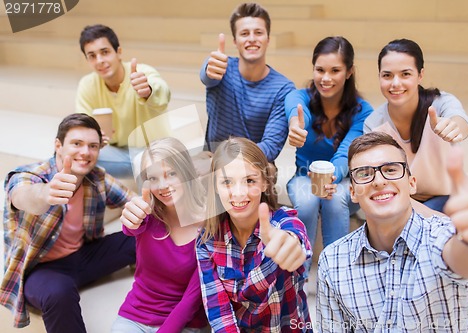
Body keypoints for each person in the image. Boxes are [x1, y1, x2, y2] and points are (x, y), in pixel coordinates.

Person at [316, 132, 468, 332]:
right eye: (364, 174)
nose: (378, 181)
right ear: (352, 192)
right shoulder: (333, 260)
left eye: (391, 169)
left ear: (412, 184)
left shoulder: (441, 235)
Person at [1, 113, 136, 332]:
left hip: (83, 256)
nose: (85, 152)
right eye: (77, 143)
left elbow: (133, 200)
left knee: (141, 236)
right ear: (58, 146)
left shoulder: (96, 177)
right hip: (41, 269)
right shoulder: (30, 176)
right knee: (59, 292)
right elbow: (23, 195)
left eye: (93, 146)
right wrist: (45, 193)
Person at [196, 137, 312, 332]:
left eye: (249, 180)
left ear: (265, 183)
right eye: (227, 182)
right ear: (215, 187)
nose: (239, 193)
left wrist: (291, 244)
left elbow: (295, 236)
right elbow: (219, 313)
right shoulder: (206, 240)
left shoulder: (284, 223)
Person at [285, 36, 373, 274]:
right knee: (307, 199)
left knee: (333, 200)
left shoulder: (363, 111)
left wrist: (330, 178)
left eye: (335, 70)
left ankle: (335, 276)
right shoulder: (302, 97)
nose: (326, 78)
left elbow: (346, 153)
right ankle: (298, 277)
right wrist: (295, 125)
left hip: (344, 183)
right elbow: (295, 109)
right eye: (320, 70)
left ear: (349, 71)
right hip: (304, 177)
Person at [111, 137, 209, 333]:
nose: (162, 185)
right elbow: (131, 226)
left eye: (171, 173)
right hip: (135, 315)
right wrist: (131, 217)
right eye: (153, 178)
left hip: (184, 323)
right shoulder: (146, 213)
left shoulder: (209, 225)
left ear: (187, 173)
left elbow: (191, 299)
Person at [364, 38, 468, 212]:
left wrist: (453, 127)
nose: (395, 83)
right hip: (403, 202)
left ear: (420, 75)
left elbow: (460, 120)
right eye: (387, 75)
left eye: (405, 74)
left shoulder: (440, 103)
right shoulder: (373, 124)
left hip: (449, 197)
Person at [199, 2, 295, 162]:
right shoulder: (221, 68)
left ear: (268, 39)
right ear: (235, 41)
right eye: (244, 33)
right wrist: (209, 68)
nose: (252, 39)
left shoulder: (283, 88)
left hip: (254, 165)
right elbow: (208, 74)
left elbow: (270, 147)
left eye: (258, 32)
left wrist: (227, 161)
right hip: (212, 160)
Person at [76, 24, 171, 178]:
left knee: (144, 162)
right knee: (73, 157)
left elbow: (163, 93)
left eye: (105, 52)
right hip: (117, 154)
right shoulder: (87, 85)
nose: (99, 60)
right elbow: (82, 125)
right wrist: (95, 137)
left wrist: (148, 91)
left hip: (155, 152)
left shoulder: (142, 73)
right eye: (92, 56)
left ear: (119, 52)